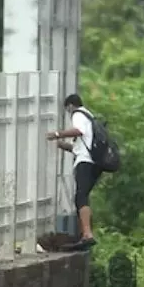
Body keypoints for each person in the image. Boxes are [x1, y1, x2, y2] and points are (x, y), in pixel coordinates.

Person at [46, 94, 101, 249]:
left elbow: (79, 131)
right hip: (93, 162)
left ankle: (87, 234)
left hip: (85, 163)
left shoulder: (78, 114)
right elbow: (81, 146)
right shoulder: (89, 116)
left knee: (81, 196)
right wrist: (63, 145)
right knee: (82, 198)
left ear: (70, 106)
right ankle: (84, 234)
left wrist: (57, 134)